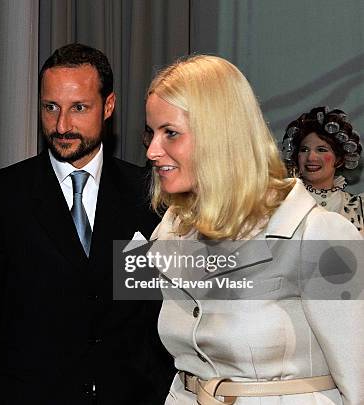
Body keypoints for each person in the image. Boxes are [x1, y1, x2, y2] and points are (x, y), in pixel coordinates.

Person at [0, 43, 174, 405]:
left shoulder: (148, 196)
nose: (62, 125)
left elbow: (152, 315)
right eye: (50, 107)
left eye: (79, 108)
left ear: (109, 106)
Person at [144, 55, 363, 404]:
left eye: (170, 133)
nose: (154, 151)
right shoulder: (172, 233)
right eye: (151, 133)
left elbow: (359, 379)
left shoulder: (318, 235)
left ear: (219, 133)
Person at [281, 106, 364, 234]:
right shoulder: (280, 202)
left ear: (340, 159)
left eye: (321, 150)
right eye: (304, 150)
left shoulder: (359, 207)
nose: (311, 157)